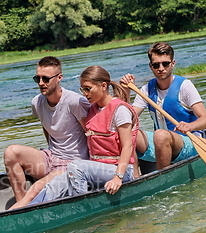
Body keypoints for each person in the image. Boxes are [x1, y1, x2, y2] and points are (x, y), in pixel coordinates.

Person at [30, 65, 139, 203]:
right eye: (83, 89)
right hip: (96, 169)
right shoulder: (92, 108)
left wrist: (118, 177)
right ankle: (27, 212)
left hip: (120, 170)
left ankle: (83, 207)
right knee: (54, 184)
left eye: (88, 89)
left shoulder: (120, 110)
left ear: (103, 86)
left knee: (76, 166)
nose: (85, 94)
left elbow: (128, 146)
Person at [5, 56, 90, 209]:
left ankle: (19, 209)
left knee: (36, 188)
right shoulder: (37, 102)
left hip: (73, 163)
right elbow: (46, 127)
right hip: (52, 157)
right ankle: (22, 206)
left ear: (59, 78)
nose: (41, 83)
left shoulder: (75, 102)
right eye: (37, 78)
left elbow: (90, 134)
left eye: (45, 79)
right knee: (11, 152)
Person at [120, 42, 206, 170]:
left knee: (161, 135)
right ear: (151, 66)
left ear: (173, 63)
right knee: (126, 132)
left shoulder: (185, 86)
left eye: (165, 64)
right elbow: (127, 119)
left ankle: (162, 177)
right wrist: (127, 92)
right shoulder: (146, 90)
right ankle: (134, 177)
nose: (161, 68)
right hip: (160, 142)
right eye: (156, 65)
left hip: (190, 143)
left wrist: (190, 126)